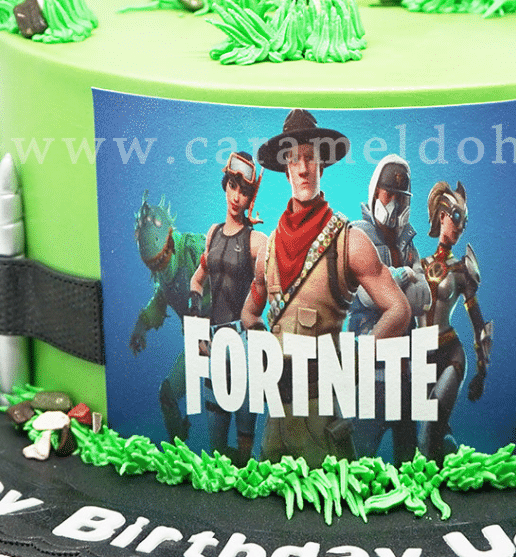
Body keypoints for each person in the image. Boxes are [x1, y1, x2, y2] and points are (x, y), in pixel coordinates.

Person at [241, 109, 411, 465]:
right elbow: (249, 314)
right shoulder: (268, 249)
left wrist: (356, 359)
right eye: (294, 159)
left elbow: (399, 309)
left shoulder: (350, 241)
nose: (303, 168)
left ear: (322, 164)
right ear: (286, 168)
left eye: (310, 157)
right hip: (275, 415)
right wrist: (262, 349)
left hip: (321, 411)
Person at [347, 155, 429, 463]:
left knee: (407, 455)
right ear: (375, 194)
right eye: (387, 195)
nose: (393, 204)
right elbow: (365, 296)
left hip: (406, 368)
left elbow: (423, 298)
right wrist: (402, 278)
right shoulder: (358, 236)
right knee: (360, 454)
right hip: (371, 369)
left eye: (400, 198)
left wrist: (394, 282)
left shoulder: (407, 242)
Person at [187, 151, 266, 463]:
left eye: (244, 192)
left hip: (242, 341)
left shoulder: (257, 241)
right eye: (233, 186)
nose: (236, 197)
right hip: (214, 341)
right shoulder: (213, 233)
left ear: (251, 198)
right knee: (216, 440)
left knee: (245, 435)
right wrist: (197, 327)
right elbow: (197, 280)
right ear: (225, 186)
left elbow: (273, 282)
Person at [415, 181, 493, 461]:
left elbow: (479, 324)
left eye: (465, 221)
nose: (460, 227)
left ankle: (437, 477)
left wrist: (481, 371)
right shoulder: (418, 265)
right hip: (420, 357)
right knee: (437, 433)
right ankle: (455, 463)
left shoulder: (462, 271)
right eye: (457, 217)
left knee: (429, 428)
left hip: (450, 354)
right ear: (442, 215)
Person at [128, 192, 206, 442]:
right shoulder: (163, 275)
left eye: (162, 259)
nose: (161, 268)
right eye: (154, 265)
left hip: (230, 337)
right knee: (167, 395)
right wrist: (141, 326)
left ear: (170, 241)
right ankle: (177, 447)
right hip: (198, 344)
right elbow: (160, 299)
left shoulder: (194, 249)